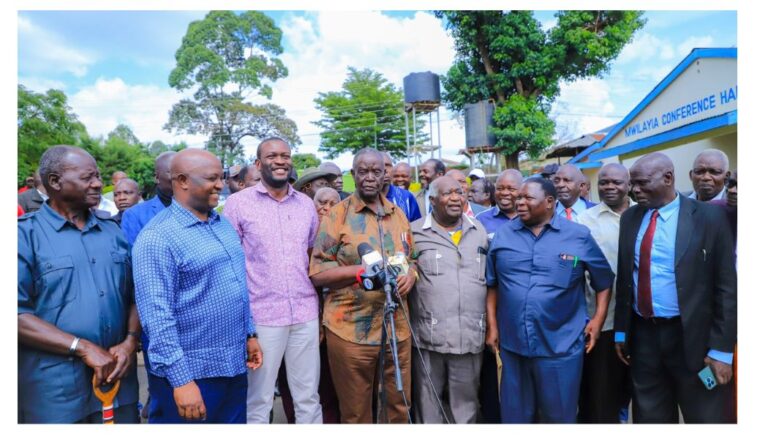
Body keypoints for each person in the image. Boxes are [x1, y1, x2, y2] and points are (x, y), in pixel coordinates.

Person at [133, 149, 262, 424]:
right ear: (181, 181)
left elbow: (237, 284)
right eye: (212, 178)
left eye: (222, 177)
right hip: (191, 377)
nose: (221, 185)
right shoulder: (157, 238)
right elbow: (157, 318)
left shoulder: (222, 224)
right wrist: (181, 382)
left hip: (232, 366)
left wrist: (250, 334)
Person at [18, 145, 140, 423]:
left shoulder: (113, 231)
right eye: (88, 178)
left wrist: (130, 343)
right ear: (55, 182)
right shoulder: (24, 235)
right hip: (54, 393)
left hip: (117, 384)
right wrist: (82, 347)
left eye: (97, 176)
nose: (98, 183)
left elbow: (135, 296)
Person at [614, 152, 736, 423]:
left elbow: (726, 288)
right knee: (650, 416)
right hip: (644, 336)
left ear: (668, 178)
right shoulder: (631, 218)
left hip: (695, 339)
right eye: (632, 184)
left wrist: (721, 351)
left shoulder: (710, 218)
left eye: (642, 183)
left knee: (707, 416)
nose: (634, 190)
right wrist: (622, 331)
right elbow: (625, 279)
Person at [485, 178, 614, 423]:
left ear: (549, 202)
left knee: (559, 417)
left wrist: (597, 321)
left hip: (561, 347)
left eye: (527, 198)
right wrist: (492, 326)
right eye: (518, 197)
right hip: (513, 347)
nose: (519, 202)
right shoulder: (503, 236)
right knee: (515, 418)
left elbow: (604, 281)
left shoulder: (578, 236)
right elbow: (492, 284)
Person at [309, 148, 418, 423]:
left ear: (385, 175)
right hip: (351, 331)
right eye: (362, 171)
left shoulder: (398, 215)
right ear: (352, 175)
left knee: (400, 407)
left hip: (397, 329)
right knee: (357, 412)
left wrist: (412, 275)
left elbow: (411, 258)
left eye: (376, 171)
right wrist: (359, 272)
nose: (369, 177)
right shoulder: (337, 216)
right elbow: (318, 271)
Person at [224, 138, 323, 424]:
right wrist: (244, 326)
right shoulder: (237, 204)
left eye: (285, 156)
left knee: (307, 397)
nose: (280, 161)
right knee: (259, 399)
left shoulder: (306, 205)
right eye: (272, 156)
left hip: (304, 313)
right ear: (258, 164)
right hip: (262, 317)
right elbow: (232, 265)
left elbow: (311, 254)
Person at [410, 176, 489, 423]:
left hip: (469, 335)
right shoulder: (414, 232)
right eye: (447, 193)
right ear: (432, 200)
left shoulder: (479, 230)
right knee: (428, 403)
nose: (455, 198)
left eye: (459, 192)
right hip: (428, 336)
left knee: (465, 406)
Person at [574, 163, 634, 423]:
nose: (610, 187)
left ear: (629, 185)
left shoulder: (644, 214)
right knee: (602, 395)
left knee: (641, 392)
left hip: (643, 320)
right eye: (604, 182)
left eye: (616, 182)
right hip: (603, 322)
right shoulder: (585, 221)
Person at [121, 151, 176, 245]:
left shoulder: (200, 210)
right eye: (173, 172)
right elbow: (131, 256)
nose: (181, 177)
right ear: (157, 178)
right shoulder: (135, 215)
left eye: (185, 173)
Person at [476, 169, 524, 239]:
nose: (504, 193)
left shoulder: (531, 218)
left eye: (511, 189)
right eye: (499, 188)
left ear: (522, 191)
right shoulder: (481, 219)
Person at [382, 152, 421, 222]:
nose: (385, 169)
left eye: (388, 165)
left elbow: (417, 228)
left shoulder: (407, 197)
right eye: (380, 165)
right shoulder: (362, 198)